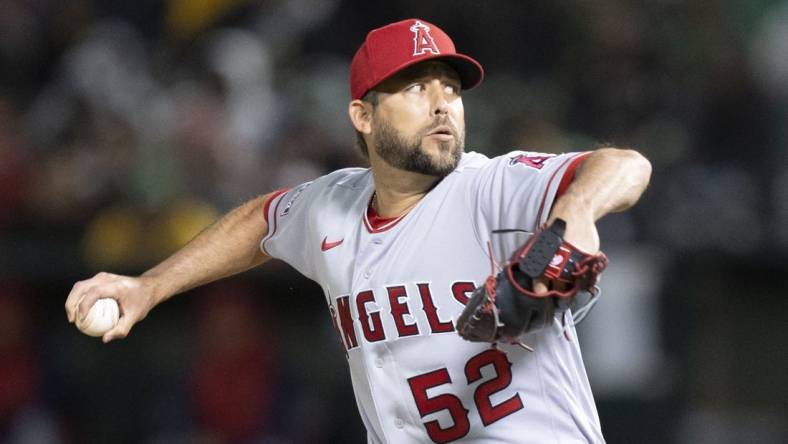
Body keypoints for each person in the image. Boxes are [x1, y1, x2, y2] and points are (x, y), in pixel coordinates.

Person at [65, 18, 651, 444]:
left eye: (451, 87)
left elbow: (624, 165)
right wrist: (149, 287)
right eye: (417, 88)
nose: (443, 104)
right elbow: (258, 221)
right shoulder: (332, 208)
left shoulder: (490, 189)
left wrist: (573, 214)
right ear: (363, 116)